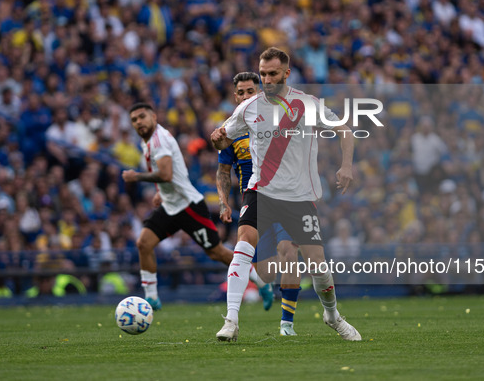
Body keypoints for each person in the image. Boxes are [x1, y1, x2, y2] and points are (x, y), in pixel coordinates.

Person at [211, 47, 361, 341]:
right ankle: (231, 321)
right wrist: (216, 138)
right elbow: (222, 140)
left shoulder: (307, 105)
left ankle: (332, 316)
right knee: (244, 243)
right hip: (261, 190)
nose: (266, 80)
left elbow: (345, 130)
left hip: (299, 196)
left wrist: (346, 166)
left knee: (317, 263)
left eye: (273, 74)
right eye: (263, 74)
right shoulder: (248, 107)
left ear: (286, 74)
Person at [121, 102, 269, 310]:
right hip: (171, 205)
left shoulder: (159, 140)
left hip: (188, 206)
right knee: (143, 243)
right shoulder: (147, 142)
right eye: (134, 120)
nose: (138, 122)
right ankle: (152, 299)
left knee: (216, 252)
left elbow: (166, 174)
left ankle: (259, 280)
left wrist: (136, 176)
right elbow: (168, 173)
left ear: (153, 117)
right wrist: (160, 192)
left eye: (142, 117)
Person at [216, 72, 301, 336]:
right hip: (254, 198)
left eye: (249, 91)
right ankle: (254, 294)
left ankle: (286, 324)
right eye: (240, 92)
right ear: (235, 96)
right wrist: (223, 203)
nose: (244, 97)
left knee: (289, 252)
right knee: (264, 270)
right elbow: (222, 171)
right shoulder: (231, 130)